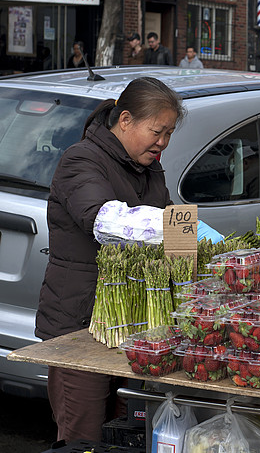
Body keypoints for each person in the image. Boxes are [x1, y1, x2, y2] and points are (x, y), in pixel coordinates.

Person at [38, 77, 185, 443]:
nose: (163, 142)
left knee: (128, 433)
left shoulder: (149, 168)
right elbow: (104, 220)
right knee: (83, 436)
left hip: (134, 327)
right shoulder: (81, 160)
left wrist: (208, 247)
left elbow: (169, 220)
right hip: (81, 326)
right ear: (125, 120)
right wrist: (184, 229)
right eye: (157, 131)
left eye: (169, 134)